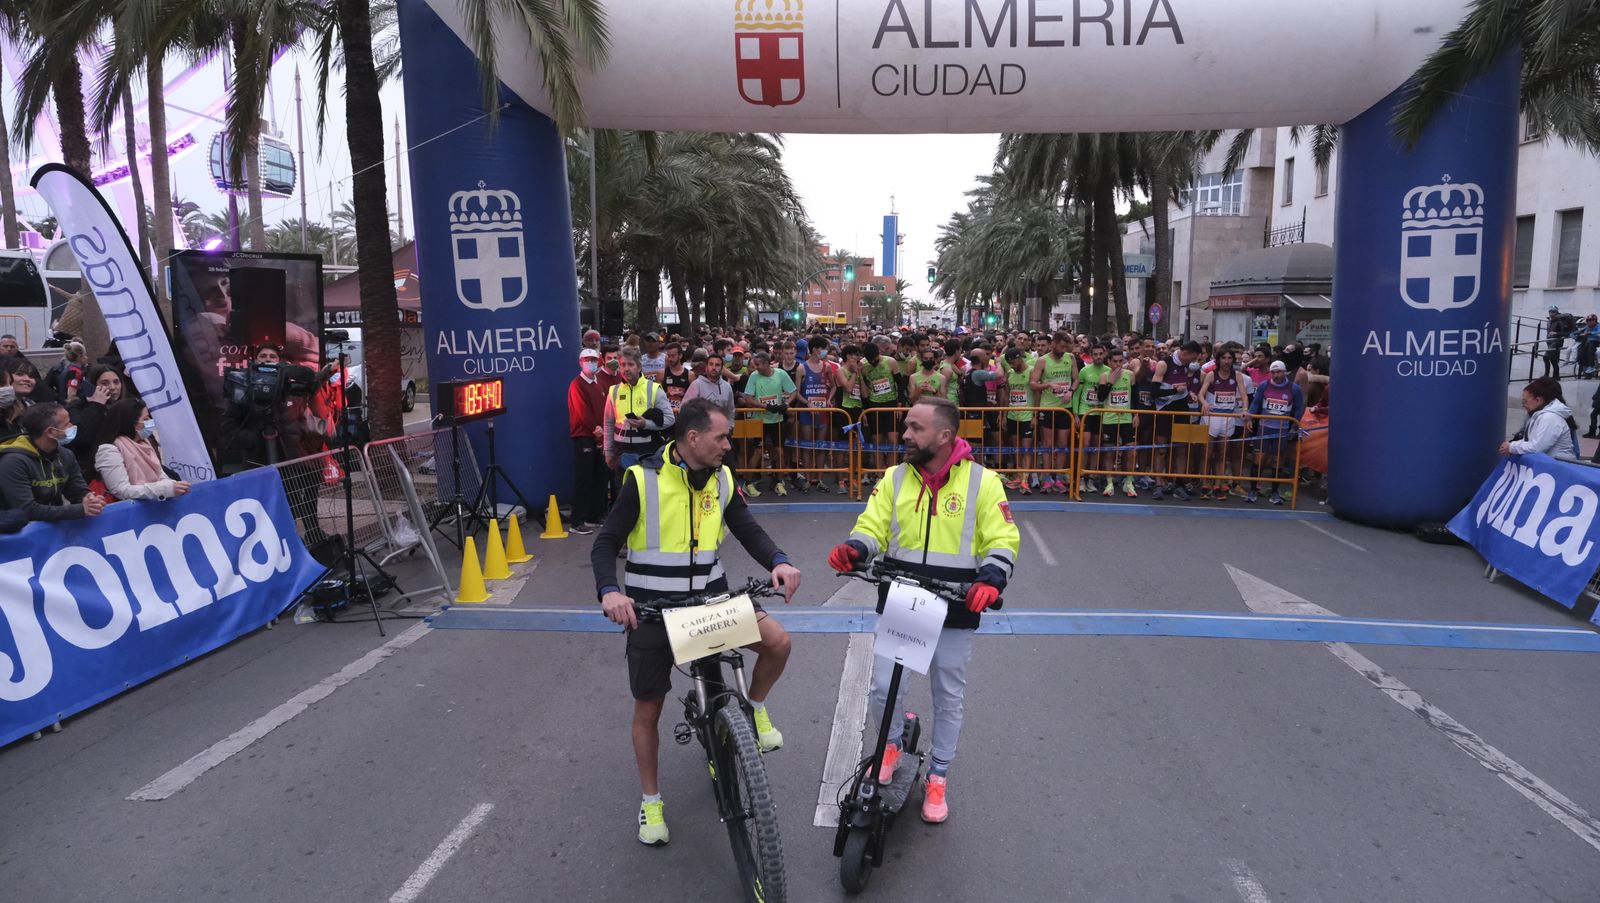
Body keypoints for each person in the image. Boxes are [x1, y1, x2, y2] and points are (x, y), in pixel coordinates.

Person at [591, 398, 801, 846]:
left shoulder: (722, 478)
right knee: (648, 709)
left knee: (778, 643)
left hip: (709, 602)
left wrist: (779, 561)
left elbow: (747, 528)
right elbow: (605, 543)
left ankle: (755, 709)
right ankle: (651, 802)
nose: (729, 444)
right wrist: (611, 591)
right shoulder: (641, 479)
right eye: (721, 436)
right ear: (692, 438)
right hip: (652, 611)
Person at [827, 396, 1020, 824]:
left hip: (956, 603)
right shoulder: (895, 477)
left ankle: (938, 775)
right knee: (884, 687)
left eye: (916, 428)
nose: (905, 434)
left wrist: (991, 579)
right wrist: (855, 547)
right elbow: (871, 525)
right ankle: (891, 744)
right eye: (906, 426)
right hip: (905, 597)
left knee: (946, 692)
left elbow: (1003, 539)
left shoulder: (983, 483)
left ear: (945, 436)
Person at [0, 403, 105, 521]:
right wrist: (80, 510)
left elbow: (78, 490)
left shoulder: (66, 455)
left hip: (55, 527)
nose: (73, 426)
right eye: (67, 424)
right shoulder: (13, 462)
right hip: (21, 532)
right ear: (50, 432)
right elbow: (26, 509)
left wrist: (89, 499)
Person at [94, 398, 191, 501]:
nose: (150, 422)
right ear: (131, 422)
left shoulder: (146, 445)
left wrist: (175, 487)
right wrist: (165, 489)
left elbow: (161, 476)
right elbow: (121, 491)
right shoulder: (108, 450)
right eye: (145, 419)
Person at [604, 346, 676, 477]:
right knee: (623, 494)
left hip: (647, 453)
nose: (626, 368)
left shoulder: (653, 389)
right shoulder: (613, 391)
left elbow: (670, 419)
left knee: (645, 495)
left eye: (630, 364)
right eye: (622, 364)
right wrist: (608, 451)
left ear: (639, 366)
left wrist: (646, 424)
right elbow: (608, 424)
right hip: (621, 453)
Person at [737, 350, 799, 496]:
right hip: (758, 420)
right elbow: (748, 398)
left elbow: (793, 391)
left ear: (766, 363)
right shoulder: (753, 376)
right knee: (757, 452)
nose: (755, 367)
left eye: (758, 364)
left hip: (776, 420)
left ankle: (779, 481)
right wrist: (765, 406)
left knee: (780, 452)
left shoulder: (780, 374)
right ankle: (747, 483)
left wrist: (786, 404)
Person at [1245, 360, 1306, 505]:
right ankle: (1253, 490)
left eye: (1279, 372)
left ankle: (1274, 492)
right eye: (1273, 372)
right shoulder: (1264, 386)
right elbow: (1256, 403)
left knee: (1277, 461)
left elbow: (1299, 409)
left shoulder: (1294, 389)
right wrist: (1249, 416)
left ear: (1285, 372)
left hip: (1282, 431)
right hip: (1264, 428)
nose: (1276, 375)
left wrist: (1294, 427)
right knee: (1258, 459)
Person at [568, 348, 610, 534]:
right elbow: (582, 412)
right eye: (588, 360)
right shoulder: (577, 385)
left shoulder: (597, 383)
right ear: (581, 362)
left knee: (600, 476)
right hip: (585, 436)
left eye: (594, 359)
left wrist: (603, 430)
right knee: (584, 478)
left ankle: (595, 515)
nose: (591, 363)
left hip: (600, 436)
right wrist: (597, 430)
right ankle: (577, 521)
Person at [1502, 377, 1578, 461]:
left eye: (1525, 401)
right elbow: (1530, 441)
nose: (1523, 405)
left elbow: (1537, 448)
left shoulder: (1550, 418)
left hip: (1557, 467)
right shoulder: (1539, 416)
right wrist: (1511, 445)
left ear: (1538, 400)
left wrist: (1512, 447)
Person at [66, 363, 127, 465]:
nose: (112, 387)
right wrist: (96, 405)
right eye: (104, 383)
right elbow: (82, 438)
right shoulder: (76, 408)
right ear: (93, 385)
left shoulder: (125, 407)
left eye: (116, 382)